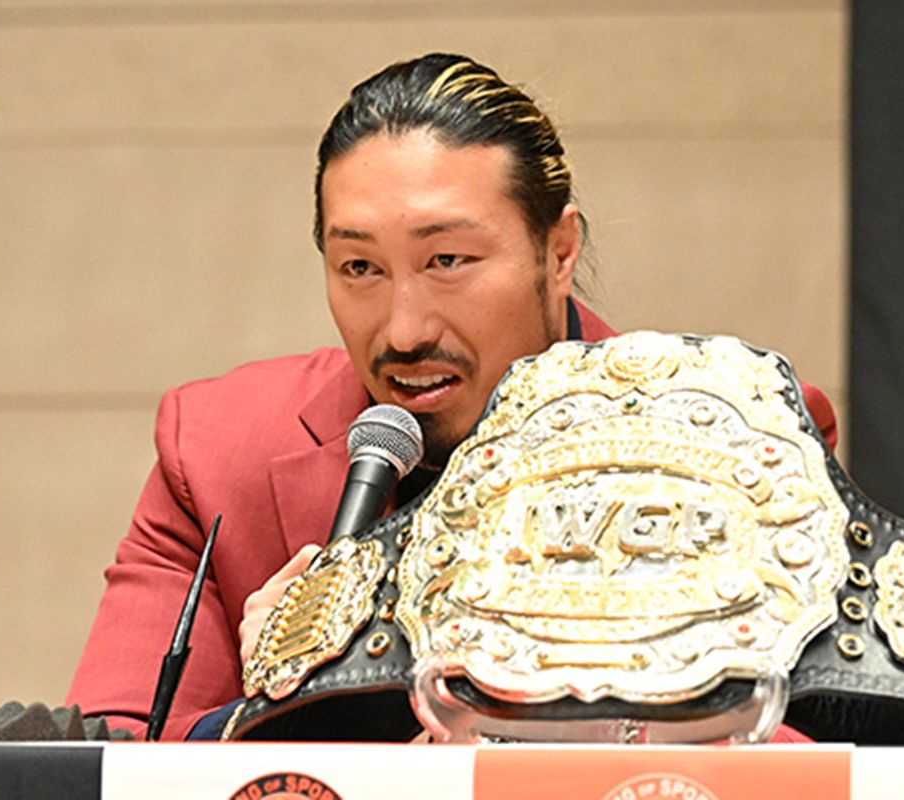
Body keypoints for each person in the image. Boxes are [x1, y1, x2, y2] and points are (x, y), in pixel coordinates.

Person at [66, 52, 838, 741]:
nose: (403, 331)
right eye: (360, 268)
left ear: (558, 252)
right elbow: (107, 761)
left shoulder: (747, 444)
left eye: (448, 261)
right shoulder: (215, 450)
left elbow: (824, 758)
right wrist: (273, 719)